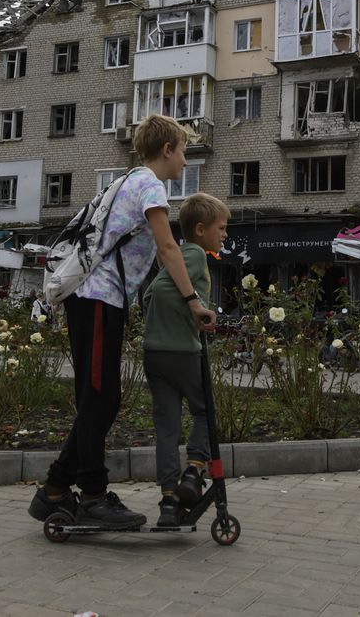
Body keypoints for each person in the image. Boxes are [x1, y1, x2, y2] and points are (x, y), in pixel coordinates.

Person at [27, 114, 216, 530]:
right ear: (167, 149)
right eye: (183, 151)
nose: (184, 161)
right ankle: (91, 495)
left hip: (101, 302)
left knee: (102, 397)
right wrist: (192, 302)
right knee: (99, 397)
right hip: (95, 299)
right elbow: (167, 247)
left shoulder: (129, 180)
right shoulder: (150, 184)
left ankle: (57, 490)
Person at [141, 192, 229, 527]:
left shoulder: (177, 257)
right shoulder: (192, 253)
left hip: (155, 352)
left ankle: (168, 502)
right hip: (181, 351)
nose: (225, 235)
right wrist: (193, 312)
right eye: (221, 228)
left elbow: (150, 293)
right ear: (201, 228)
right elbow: (163, 292)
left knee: (166, 425)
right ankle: (193, 471)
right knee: (205, 409)